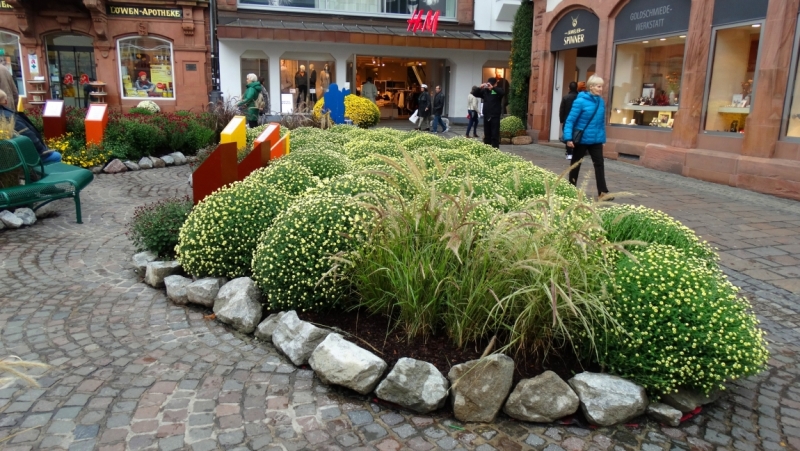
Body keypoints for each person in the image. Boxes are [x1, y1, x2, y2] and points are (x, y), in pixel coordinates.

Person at [562, 75, 613, 202]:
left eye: (602, 86)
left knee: (599, 164)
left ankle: (603, 192)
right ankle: (571, 189)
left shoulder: (601, 102)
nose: (601, 89)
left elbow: (601, 123)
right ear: (591, 87)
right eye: (598, 86)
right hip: (581, 139)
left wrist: (602, 139)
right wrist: (568, 138)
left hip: (596, 140)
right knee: (575, 164)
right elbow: (570, 120)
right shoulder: (580, 101)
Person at [0, 89, 61, 163]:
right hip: (22, 158)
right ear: (6, 102)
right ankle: (44, 173)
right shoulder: (10, 117)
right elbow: (29, 137)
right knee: (56, 156)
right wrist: (43, 151)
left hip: (7, 158)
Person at [471, 77, 505, 148]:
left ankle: (495, 149)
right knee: (487, 134)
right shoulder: (485, 91)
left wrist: (493, 88)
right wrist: (480, 87)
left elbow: (502, 93)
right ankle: (487, 149)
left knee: (495, 134)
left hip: (495, 115)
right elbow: (474, 94)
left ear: (495, 84)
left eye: (492, 84)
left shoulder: (498, 90)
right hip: (486, 115)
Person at [559, 81, 579, 160]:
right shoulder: (579, 97)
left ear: (569, 88)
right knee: (576, 135)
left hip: (567, 119)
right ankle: (575, 152)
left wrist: (561, 120)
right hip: (577, 120)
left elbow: (562, 110)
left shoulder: (565, 97)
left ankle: (569, 153)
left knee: (568, 136)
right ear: (576, 88)